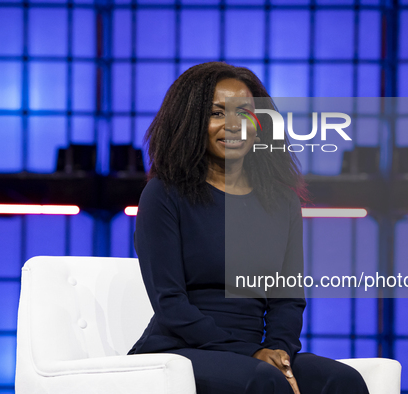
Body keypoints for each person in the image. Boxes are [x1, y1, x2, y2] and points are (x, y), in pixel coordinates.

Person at [128, 62, 369, 394]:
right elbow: (170, 304)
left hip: (255, 353)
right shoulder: (164, 194)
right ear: (191, 124)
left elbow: (288, 299)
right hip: (181, 350)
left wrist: (280, 352)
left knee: (342, 381)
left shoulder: (281, 200)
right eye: (216, 113)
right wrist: (253, 354)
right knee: (261, 379)